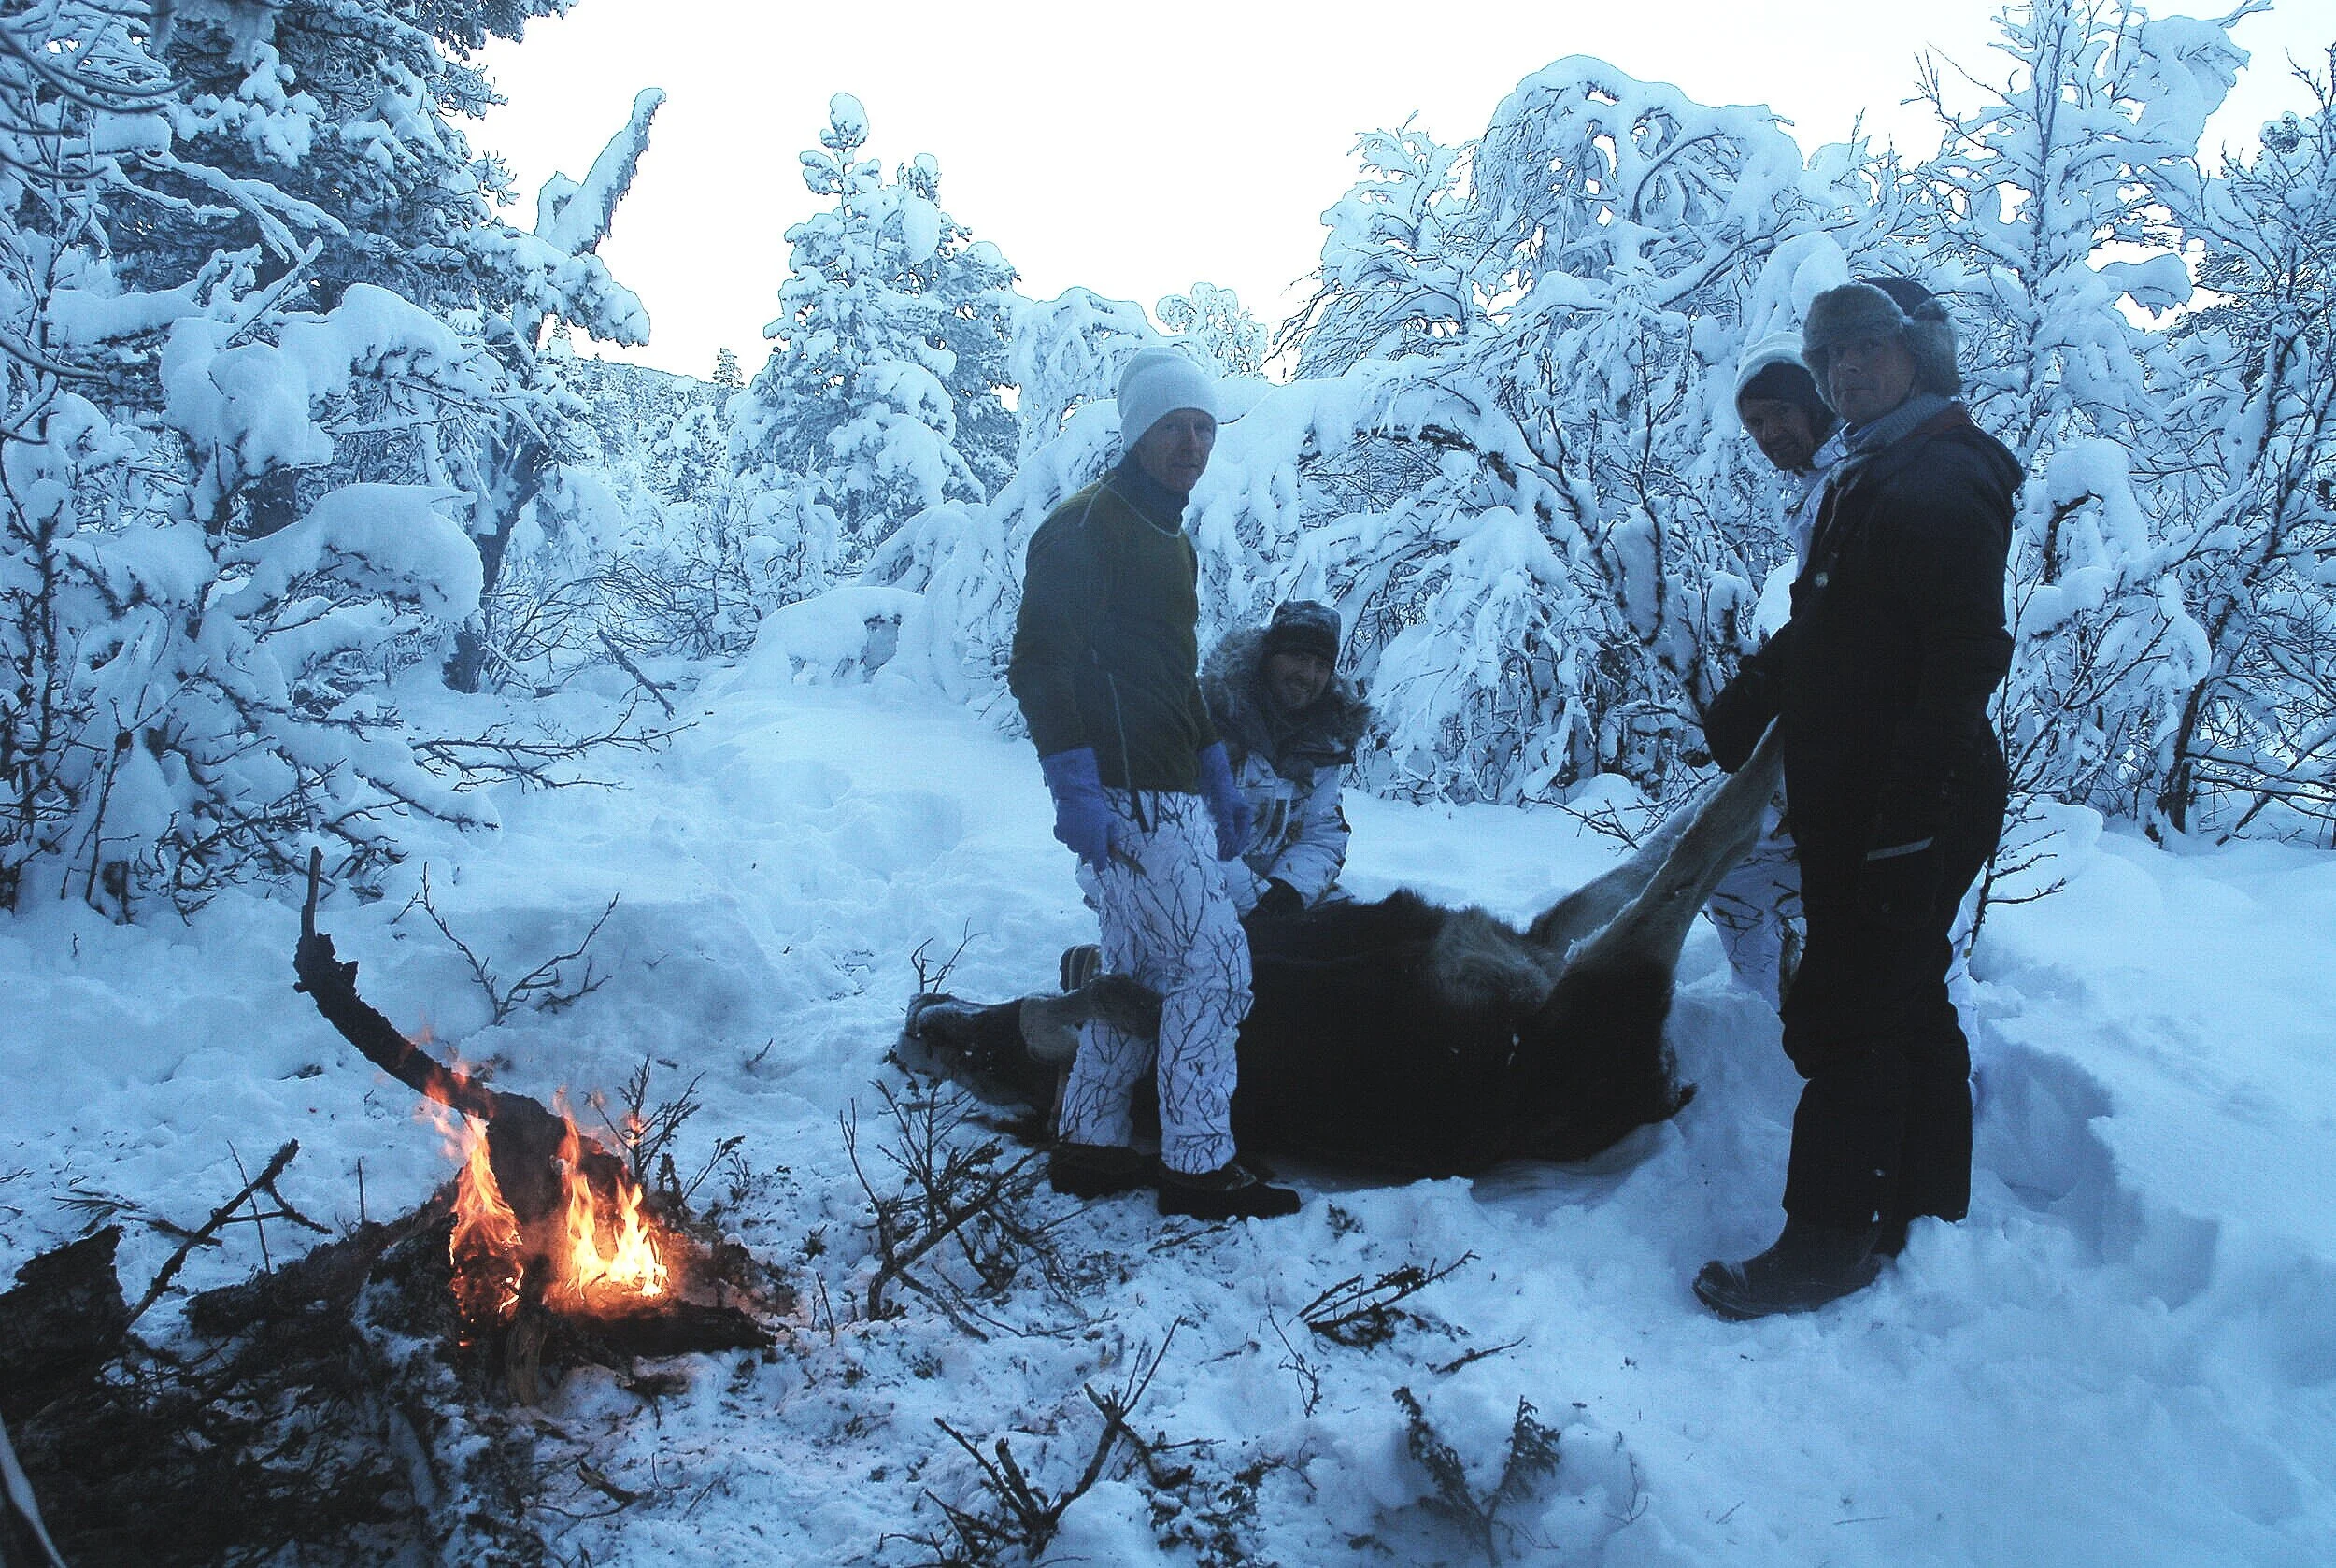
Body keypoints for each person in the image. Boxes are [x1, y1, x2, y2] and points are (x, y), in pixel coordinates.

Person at [1692, 277, 2020, 1319]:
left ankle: (1828, 1241)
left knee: (1844, 1009)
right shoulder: (1875, 471)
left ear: (1916, 352)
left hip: (1906, 799)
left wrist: (1905, 818)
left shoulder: (1944, 470)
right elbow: (1840, 625)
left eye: (1867, 351)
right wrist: (1761, 685)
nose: (1846, 373)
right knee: (1905, 992)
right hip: (1874, 795)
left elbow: (1963, 656)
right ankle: (1923, 1199)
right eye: (1831, 359)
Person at [1006, 347, 1301, 1222]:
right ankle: (1198, 1166)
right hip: (1125, 794)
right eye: (1176, 425)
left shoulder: (1170, 542)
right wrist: (1075, 786)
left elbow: (1174, 679)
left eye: (1205, 427)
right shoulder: (1083, 525)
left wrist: (1217, 775)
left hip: (1169, 788)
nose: (1193, 442)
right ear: (1138, 432)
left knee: (1137, 972)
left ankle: (1092, 1145)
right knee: (1215, 971)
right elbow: (1039, 664)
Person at [1703, 335, 1845, 1007]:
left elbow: (1850, 619)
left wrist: (1769, 676)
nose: (1768, 434)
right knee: (1732, 884)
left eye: (1780, 413)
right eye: (1754, 423)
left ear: (1818, 400)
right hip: (1832, 778)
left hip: (1894, 788)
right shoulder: (1822, 487)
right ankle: (1762, 1025)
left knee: (1915, 963)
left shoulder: (1857, 480)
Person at [1197, 600, 1371, 917]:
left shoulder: (1323, 743)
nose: (1309, 674)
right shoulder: (1208, 722)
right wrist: (1257, 903)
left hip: (1268, 893)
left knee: (1358, 935)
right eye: (1299, 657)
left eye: (1321, 665)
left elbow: (1323, 835)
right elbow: (1191, 830)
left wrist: (1288, 892)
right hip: (1187, 882)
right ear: (1268, 657)